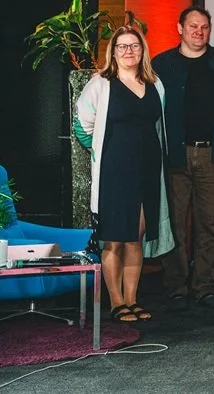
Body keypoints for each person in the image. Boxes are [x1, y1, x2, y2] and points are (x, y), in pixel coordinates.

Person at [74, 26, 174, 323]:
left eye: (134, 46)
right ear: (113, 52)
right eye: (122, 46)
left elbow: (158, 125)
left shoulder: (155, 84)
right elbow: (82, 126)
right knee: (114, 238)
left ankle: (132, 299)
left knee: (136, 237)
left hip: (148, 171)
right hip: (114, 172)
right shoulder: (101, 84)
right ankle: (116, 302)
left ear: (143, 50)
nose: (129, 51)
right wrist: (104, 152)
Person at [152, 6, 214, 311]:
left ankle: (204, 287)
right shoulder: (161, 64)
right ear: (180, 28)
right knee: (175, 225)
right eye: (193, 26)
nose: (199, 32)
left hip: (213, 156)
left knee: (211, 225)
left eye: (204, 27)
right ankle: (176, 288)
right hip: (174, 157)